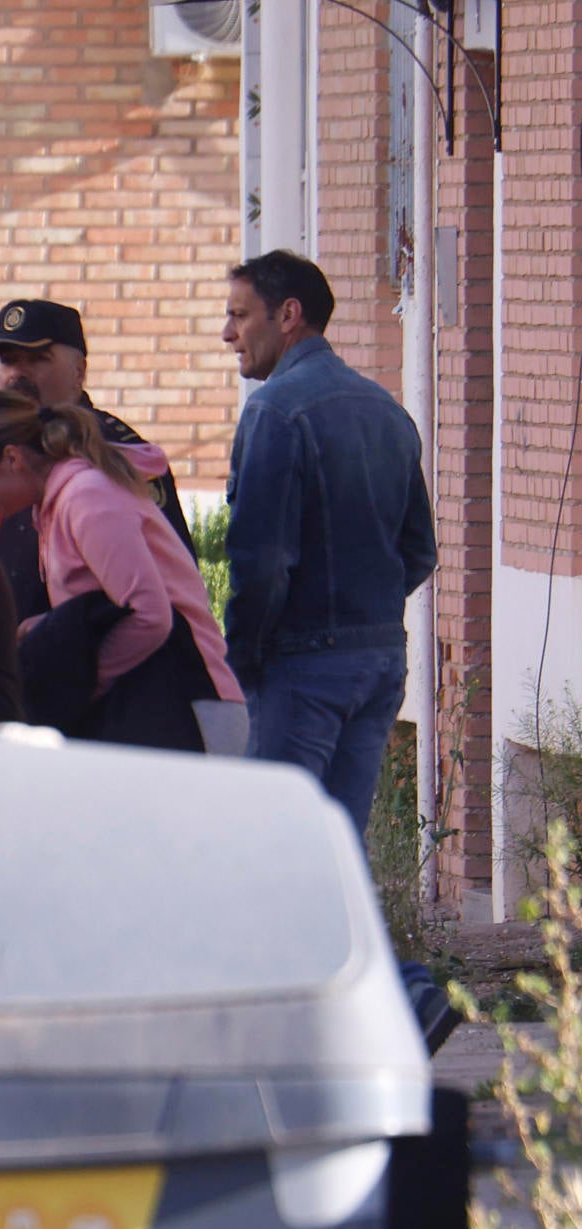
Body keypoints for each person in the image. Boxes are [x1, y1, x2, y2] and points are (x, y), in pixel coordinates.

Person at [221, 250, 436, 833]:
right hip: (378, 657)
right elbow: (419, 550)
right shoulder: (387, 411)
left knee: (276, 840)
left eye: (240, 315)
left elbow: (261, 563)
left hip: (302, 665)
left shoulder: (273, 411)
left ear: (289, 314)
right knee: (337, 843)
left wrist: (242, 658)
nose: (228, 334)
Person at [0, 390, 247, 754]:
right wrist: (48, 627)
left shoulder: (87, 497)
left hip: (189, 704)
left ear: (12, 458)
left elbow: (151, 616)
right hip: (155, 706)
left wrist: (79, 682)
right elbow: (108, 607)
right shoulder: (56, 503)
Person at [0, 299, 195, 619]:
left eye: (37, 359)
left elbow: (159, 588)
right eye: (8, 361)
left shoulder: (113, 453)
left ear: (79, 371)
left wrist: (59, 629)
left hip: (89, 644)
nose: (17, 374)